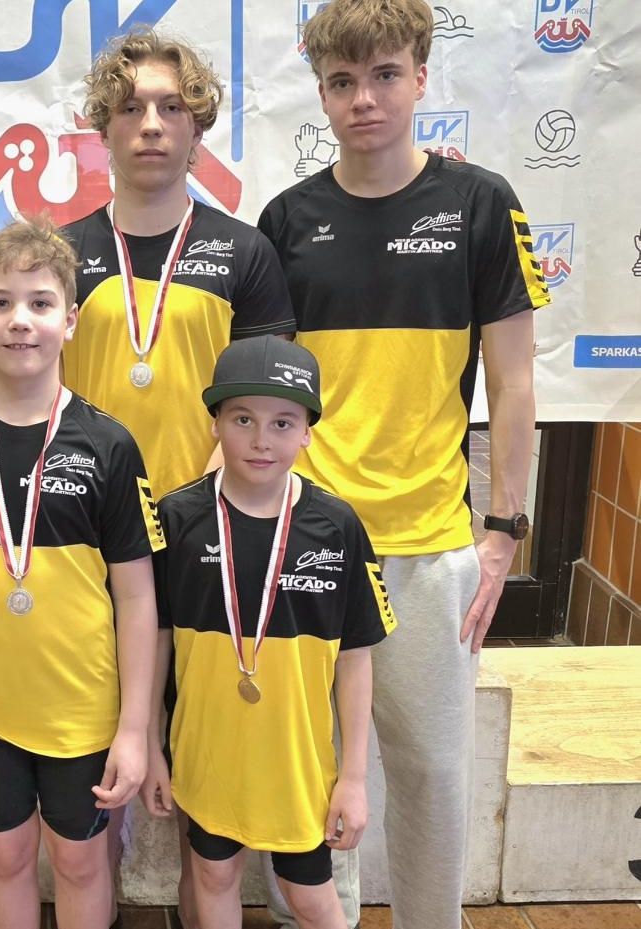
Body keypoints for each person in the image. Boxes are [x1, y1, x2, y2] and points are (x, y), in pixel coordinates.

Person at [257, 2, 547, 927]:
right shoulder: (285, 220)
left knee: (430, 775)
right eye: (342, 82)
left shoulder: (482, 205)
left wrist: (502, 533)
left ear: (421, 77)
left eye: (384, 75)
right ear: (321, 94)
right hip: (310, 541)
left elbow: (513, 382)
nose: (364, 99)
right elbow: (270, 400)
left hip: (429, 547)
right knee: (306, 776)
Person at [62, 28, 297, 925]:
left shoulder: (245, 252)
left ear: (198, 127)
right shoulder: (61, 254)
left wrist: (200, 508)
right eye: (130, 108)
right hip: (89, 549)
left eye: (171, 107)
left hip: (209, 540)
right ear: (102, 128)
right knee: (94, 770)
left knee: (205, 782)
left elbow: (264, 403)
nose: (151, 124)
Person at [0, 218, 163, 929]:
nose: (20, 320)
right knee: (5, 856)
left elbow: (138, 596)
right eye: (1, 302)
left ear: (70, 321)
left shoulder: (109, 444)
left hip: (82, 708)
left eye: (41, 303)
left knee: (79, 863)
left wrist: (134, 728)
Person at [146, 336, 394, 929]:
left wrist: (354, 778)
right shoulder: (177, 519)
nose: (262, 439)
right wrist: (152, 746)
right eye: (243, 419)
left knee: (310, 898)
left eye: (283, 422)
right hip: (208, 752)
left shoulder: (336, 525)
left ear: (307, 431)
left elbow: (356, 657)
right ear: (215, 424)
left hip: (297, 759)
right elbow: (155, 640)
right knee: (213, 877)